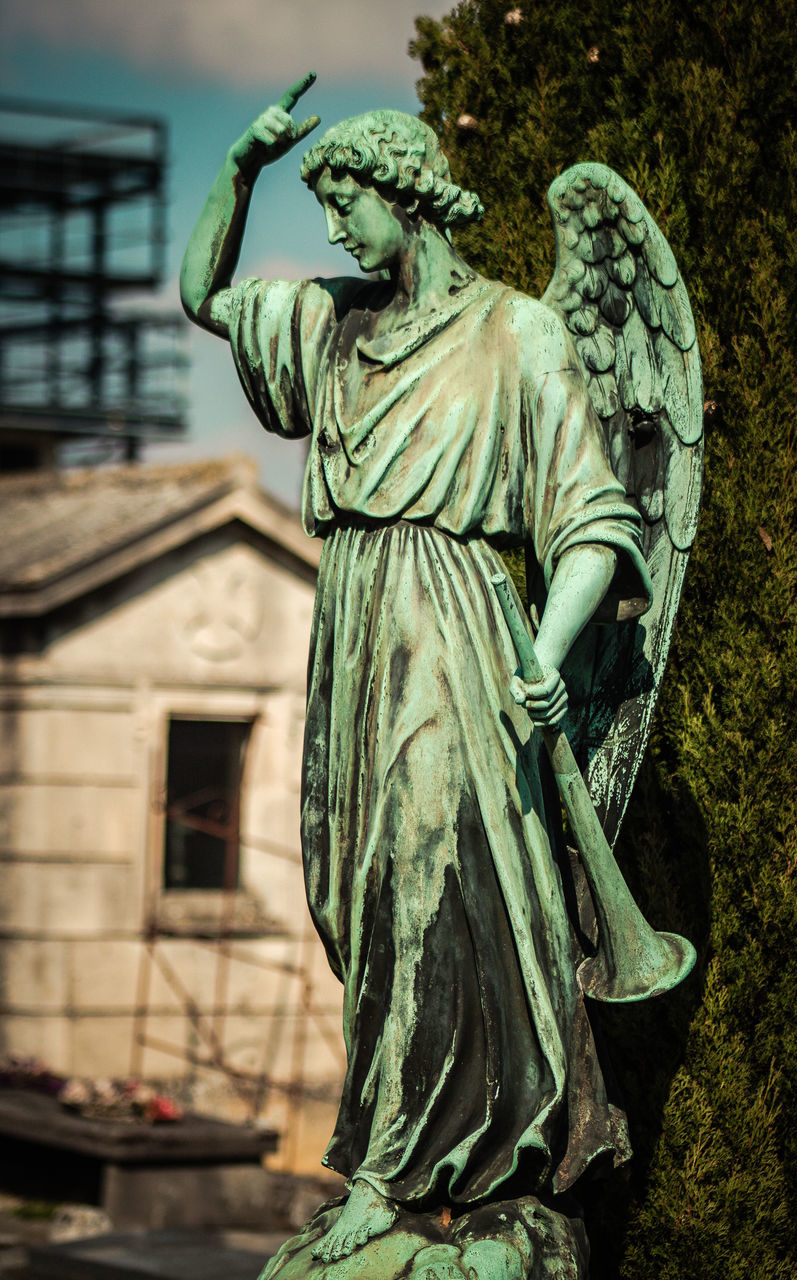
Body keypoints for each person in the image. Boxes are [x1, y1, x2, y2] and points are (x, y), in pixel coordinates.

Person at [180, 74, 652, 1265]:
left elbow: (594, 521)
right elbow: (202, 296)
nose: (333, 227)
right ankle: (415, 1160)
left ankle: (422, 1171)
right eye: (323, 205)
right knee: (356, 888)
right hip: (351, 633)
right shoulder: (332, 322)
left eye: (346, 202)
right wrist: (234, 169)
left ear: (407, 195)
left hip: (454, 633)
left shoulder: (516, 331)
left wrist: (546, 657)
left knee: (433, 884)